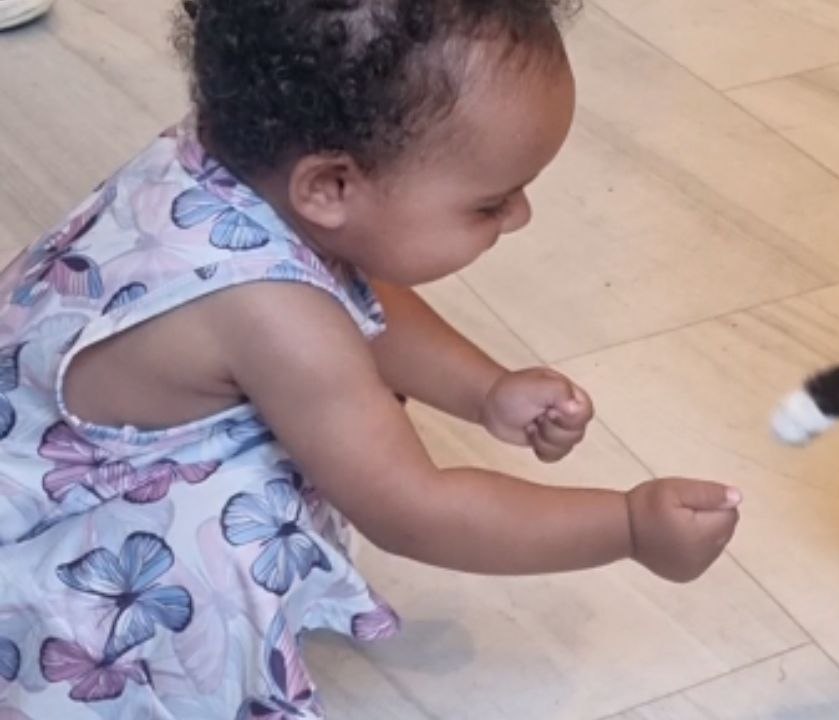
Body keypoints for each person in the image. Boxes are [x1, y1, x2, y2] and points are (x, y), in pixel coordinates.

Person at [0, 1, 741, 716]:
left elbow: (351, 287)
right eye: (491, 203)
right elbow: (412, 511)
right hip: (36, 549)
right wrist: (628, 528)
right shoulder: (270, 314)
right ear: (331, 186)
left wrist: (486, 391)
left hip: (34, 439)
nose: (520, 216)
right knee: (254, 511)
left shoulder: (229, 165)